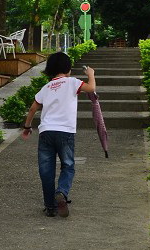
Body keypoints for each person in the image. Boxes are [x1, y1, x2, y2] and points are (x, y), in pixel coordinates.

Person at [21, 51, 96, 217]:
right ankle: (61, 191)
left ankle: (50, 207)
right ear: (68, 68)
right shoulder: (72, 82)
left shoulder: (46, 87)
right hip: (65, 132)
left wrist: (27, 127)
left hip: (46, 132)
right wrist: (91, 75)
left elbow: (33, 108)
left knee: (46, 170)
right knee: (68, 165)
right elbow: (91, 89)